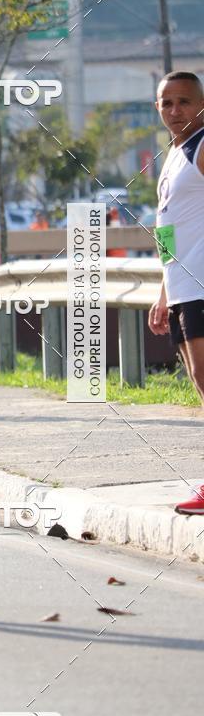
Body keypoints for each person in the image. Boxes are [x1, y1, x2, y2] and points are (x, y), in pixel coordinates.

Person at [148, 71, 204, 515]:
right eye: (166, 103)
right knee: (199, 381)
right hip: (183, 286)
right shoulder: (173, 156)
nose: (175, 111)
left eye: (183, 102)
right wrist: (164, 290)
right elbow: (167, 228)